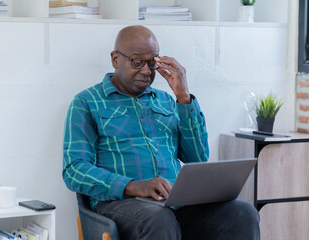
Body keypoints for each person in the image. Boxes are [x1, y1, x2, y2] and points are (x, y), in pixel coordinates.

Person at [63, 25, 260, 240]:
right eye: (137, 62)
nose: (147, 71)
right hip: (119, 205)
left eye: (152, 63)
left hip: (175, 205)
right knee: (159, 218)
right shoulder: (86, 102)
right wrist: (133, 186)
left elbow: (197, 157)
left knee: (242, 213)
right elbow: (75, 170)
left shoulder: (166, 101)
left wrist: (184, 98)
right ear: (115, 59)